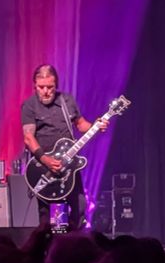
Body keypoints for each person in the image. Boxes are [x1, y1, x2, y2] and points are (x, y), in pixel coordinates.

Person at [20, 64, 107, 231]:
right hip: (44, 166)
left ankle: (72, 243)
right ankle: (47, 249)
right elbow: (28, 137)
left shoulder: (67, 101)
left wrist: (96, 126)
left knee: (80, 206)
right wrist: (46, 159)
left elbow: (80, 124)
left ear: (56, 86)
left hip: (69, 165)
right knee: (46, 215)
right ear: (35, 86)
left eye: (50, 87)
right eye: (41, 87)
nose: (45, 91)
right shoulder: (29, 106)